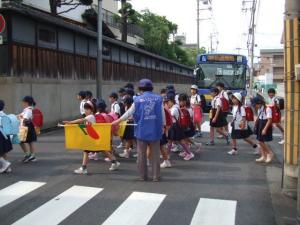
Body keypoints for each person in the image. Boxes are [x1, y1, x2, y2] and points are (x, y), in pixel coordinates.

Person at [113, 79, 165, 182]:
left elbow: (128, 113)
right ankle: (156, 176)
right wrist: (163, 126)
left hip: (141, 131)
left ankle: (143, 176)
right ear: (151, 88)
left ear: (140, 89)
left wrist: (117, 121)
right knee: (155, 155)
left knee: (141, 155)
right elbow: (162, 115)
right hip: (155, 130)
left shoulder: (137, 100)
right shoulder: (159, 99)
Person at [166, 94, 194, 161]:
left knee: (181, 141)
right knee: (170, 140)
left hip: (175, 126)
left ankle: (189, 153)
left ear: (171, 101)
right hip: (175, 126)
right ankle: (167, 155)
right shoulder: (175, 107)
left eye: (168, 102)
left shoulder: (174, 108)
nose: (167, 104)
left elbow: (170, 116)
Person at [252, 97, 274, 163]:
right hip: (260, 124)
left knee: (260, 141)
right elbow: (259, 117)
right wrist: (255, 124)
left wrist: (264, 129)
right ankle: (263, 156)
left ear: (259, 103)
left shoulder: (267, 108)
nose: (255, 106)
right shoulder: (260, 108)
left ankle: (270, 153)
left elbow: (269, 120)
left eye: (255, 105)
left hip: (265, 124)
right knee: (260, 141)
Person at [19, 96, 38, 163]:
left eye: (23, 102)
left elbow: (25, 119)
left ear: (26, 102)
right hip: (29, 127)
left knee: (21, 141)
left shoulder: (28, 110)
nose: (22, 104)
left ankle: (28, 155)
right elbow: (21, 116)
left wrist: (22, 126)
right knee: (30, 141)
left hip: (26, 127)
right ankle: (31, 156)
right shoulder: (27, 109)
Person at [0, 100, 13, 173]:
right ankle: (8, 168)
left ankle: (5, 164)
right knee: (3, 152)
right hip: (5, 135)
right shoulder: (4, 114)